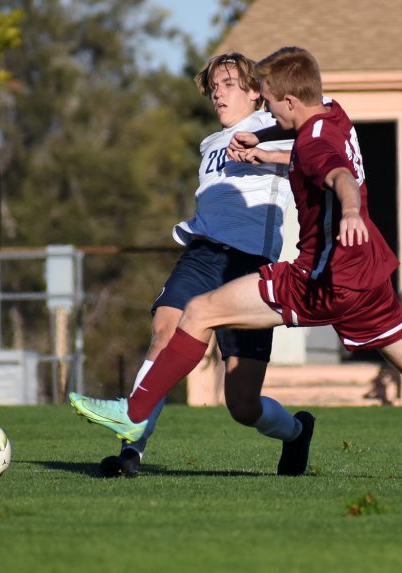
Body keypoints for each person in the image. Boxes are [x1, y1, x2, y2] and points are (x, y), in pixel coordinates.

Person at [71, 46, 402, 482]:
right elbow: (315, 159)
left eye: (267, 98)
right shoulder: (336, 117)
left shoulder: (312, 143)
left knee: (198, 312)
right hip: (369, 280)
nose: (264, 109)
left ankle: (133, 414)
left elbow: (337, 174)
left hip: (317, 281)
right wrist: (267, 157)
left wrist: (349, 208)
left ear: (287, 101)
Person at [92, 52, 314, 478]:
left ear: (256, 93)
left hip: (250, 266)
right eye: (214, 87)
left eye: (229, 84)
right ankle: (130, 451)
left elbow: (315, 155)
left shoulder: (278, 132)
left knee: (242, 404)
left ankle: (296, 431)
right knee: (164, 333)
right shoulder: (210, 143)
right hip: (202, 254)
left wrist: (266, 155)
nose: (219, 93)